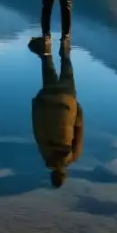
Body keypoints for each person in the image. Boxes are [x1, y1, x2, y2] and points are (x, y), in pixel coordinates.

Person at [31, 49, 83, 188]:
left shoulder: (72, 156)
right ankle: (46, 49)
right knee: (48, 71)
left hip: (67, 101)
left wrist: (78, 109)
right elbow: (38, 129)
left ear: (65, 174)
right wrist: (37, 103)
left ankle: (65, 46)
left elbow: (78, 129)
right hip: (46, 101)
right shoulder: (46, 154)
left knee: (67, 71)